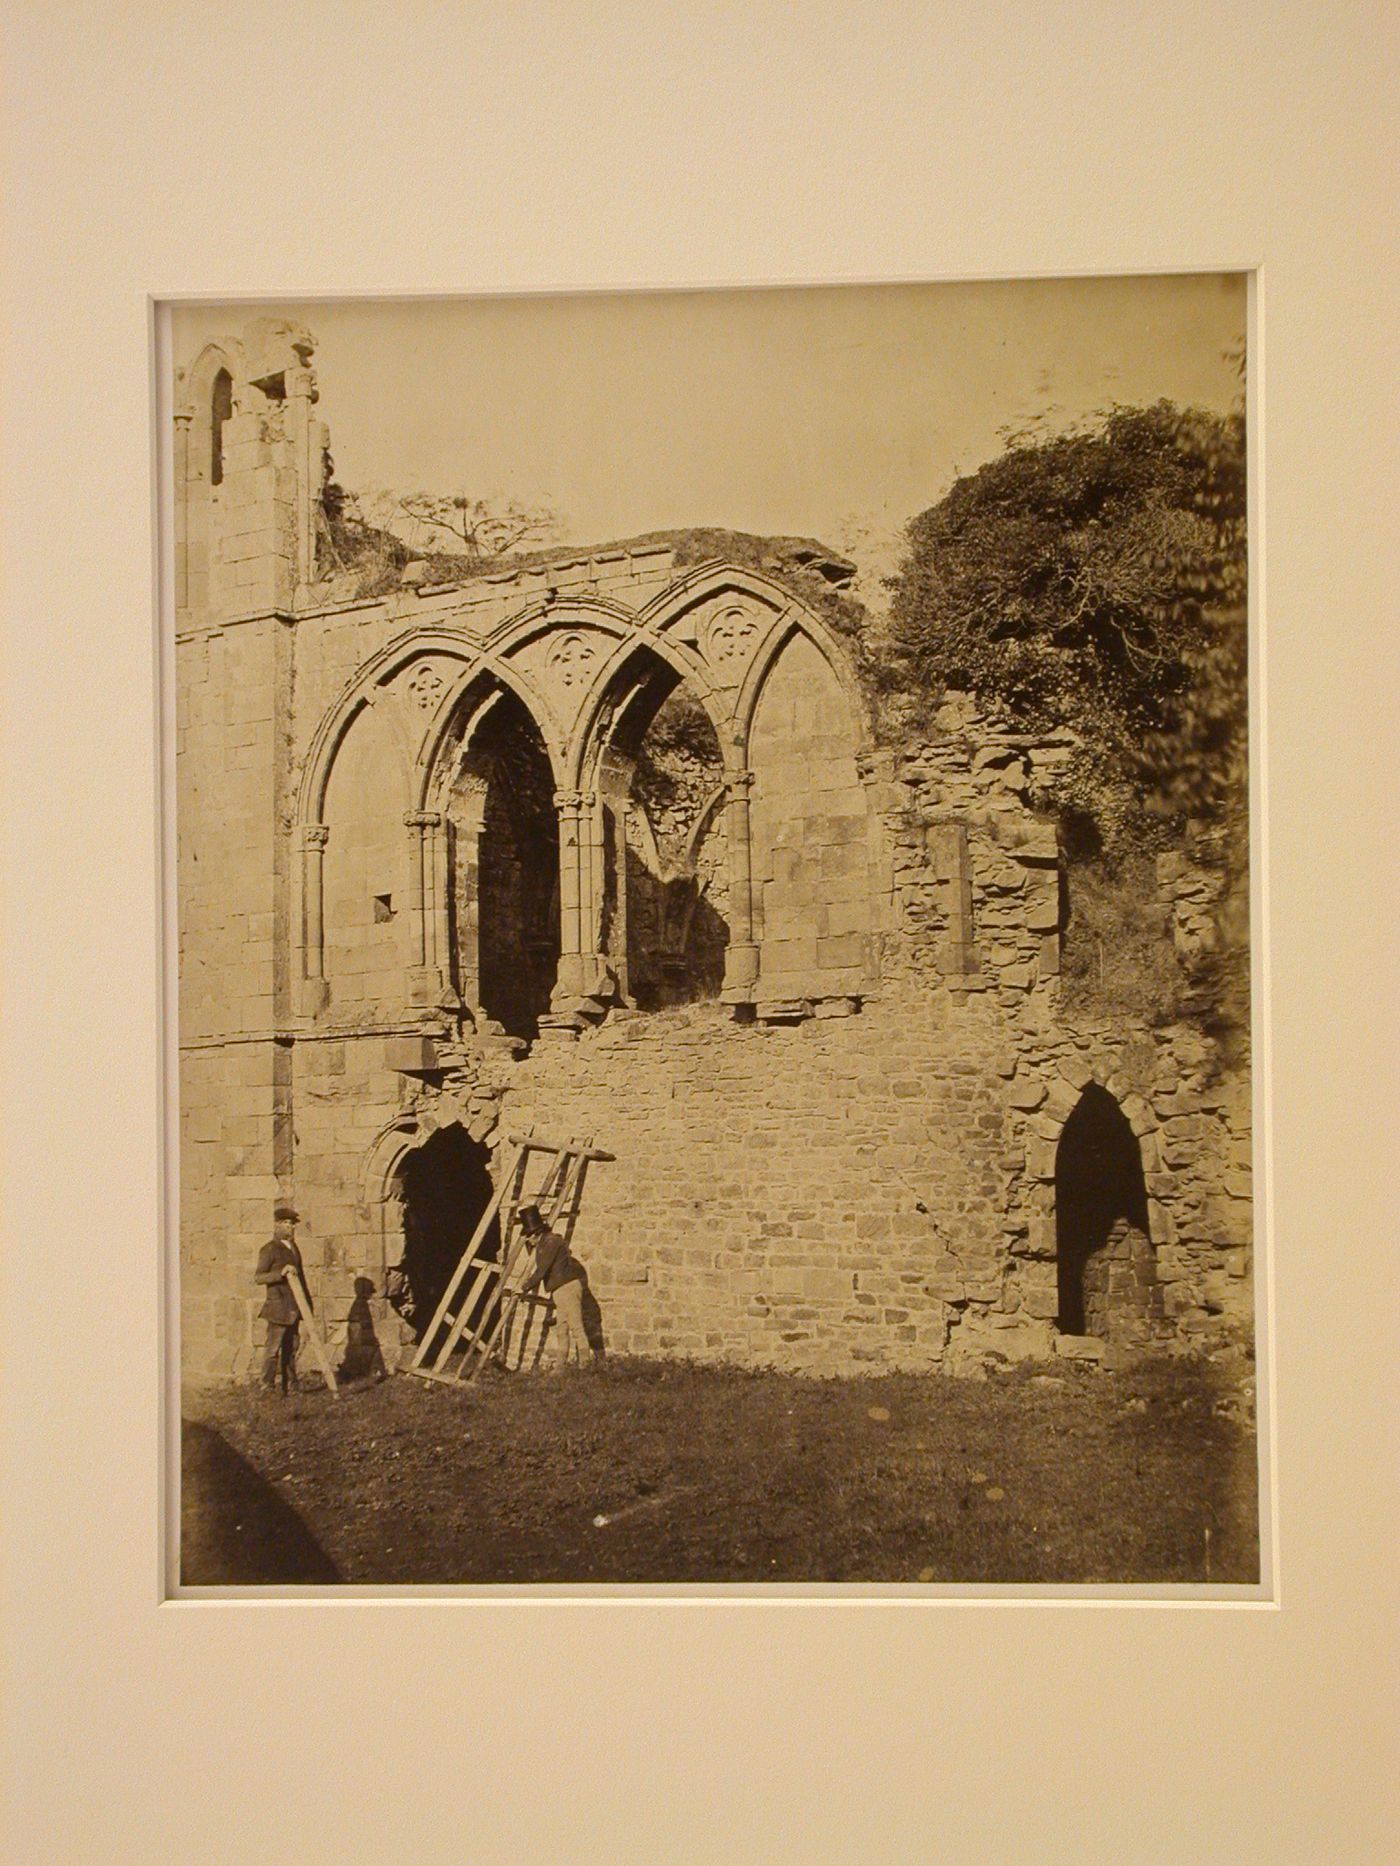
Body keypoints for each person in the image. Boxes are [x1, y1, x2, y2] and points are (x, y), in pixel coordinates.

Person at [515, 1202, 593, 1372]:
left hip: (567, 1288)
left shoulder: (551, 1242)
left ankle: (586, 1365)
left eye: (528, 1236)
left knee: (576, 1326)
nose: (528, 1240)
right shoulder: (545, 1243)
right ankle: (560, 1367)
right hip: (559, 1290)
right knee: (562, 1328)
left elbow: (542, 1270)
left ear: (536, 1233)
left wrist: (524, 1287)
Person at [254, 1203, 307, 1394]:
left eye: (292, 1224)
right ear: (276, 1225)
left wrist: (307, 1306)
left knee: (291, 1348)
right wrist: (280, 1272)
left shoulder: (294, 1248)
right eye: (285, 1223)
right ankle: (267, 1385)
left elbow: (301, 1278)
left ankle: (291, 1385)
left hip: (294, 1307)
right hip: (277, 1308)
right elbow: (259, 1277)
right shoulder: (269, 1249)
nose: (290, 1227)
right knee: (272, 1350)